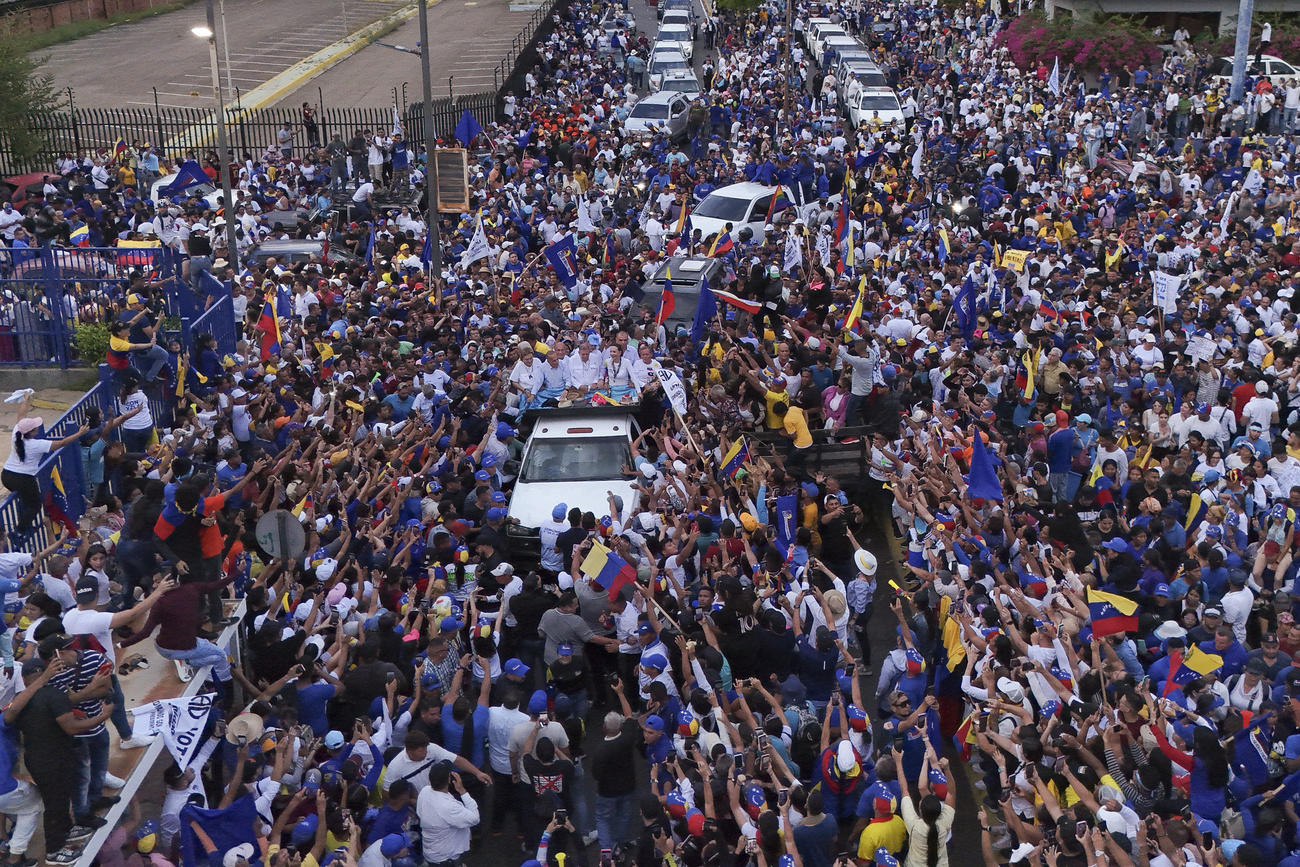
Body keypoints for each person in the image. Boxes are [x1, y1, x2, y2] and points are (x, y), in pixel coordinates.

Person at [2, 393, 88, 537]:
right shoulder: (37, 444)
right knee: (35, 505)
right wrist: (79, 433)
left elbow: (20, 415)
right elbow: (61, 443)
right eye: (35, 427)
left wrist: (26, 400)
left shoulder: (17, 433)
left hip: (7, 475)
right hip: (23, 479)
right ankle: (20, 531)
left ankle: (23, 524)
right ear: (33, 432)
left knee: (26, 498)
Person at [416, 761, 480, 867]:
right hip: (446, 859)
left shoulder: (425, 791)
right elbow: (474, 818)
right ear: (449, 780)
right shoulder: (448, 807)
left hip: (432, 853)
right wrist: (462, 791)